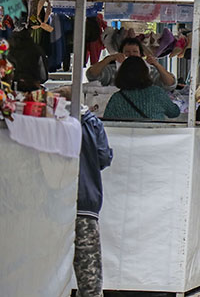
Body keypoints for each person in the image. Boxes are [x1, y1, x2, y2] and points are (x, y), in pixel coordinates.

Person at [57, 87, 113, 297]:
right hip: (85, 201)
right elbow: (103, 157)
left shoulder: (50, 121)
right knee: (89, 269)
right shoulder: (92, 123)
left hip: (52, 203)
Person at [103, 56, 181, 120]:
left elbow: (107, 121)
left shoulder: (117, 98)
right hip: (155, 137)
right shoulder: (157, 93)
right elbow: (174, 113)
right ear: (146, 73)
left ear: (121, 74)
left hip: (126, 138)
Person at [87, 36, 176, 89]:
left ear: (141, 54)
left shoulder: (150, 71)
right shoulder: (113, 69)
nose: (131, 55)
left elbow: (170, 84)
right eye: (127, 52)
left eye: (135, 52)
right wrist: (109, 59)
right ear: (121, 53)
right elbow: (92, 75)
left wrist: (156, 64)